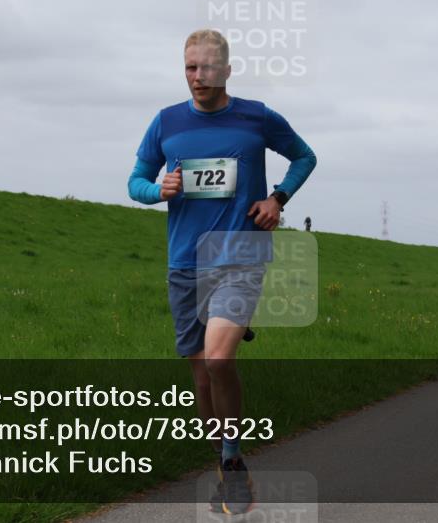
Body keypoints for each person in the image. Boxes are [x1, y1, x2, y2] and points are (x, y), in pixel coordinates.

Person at [127, 29, 317, 514]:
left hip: (240, 255)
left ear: (227, 71)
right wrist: (158, 190)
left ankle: (232, 462)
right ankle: (226, 464)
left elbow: (304, 156)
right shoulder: (166, 122)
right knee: (201, 378)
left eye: (208, 67)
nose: (199, 76)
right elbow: (135, 181)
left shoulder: (257, 117)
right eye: (191, 67)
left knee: (217, 360)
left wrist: (277, 199)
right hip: (185, 262)